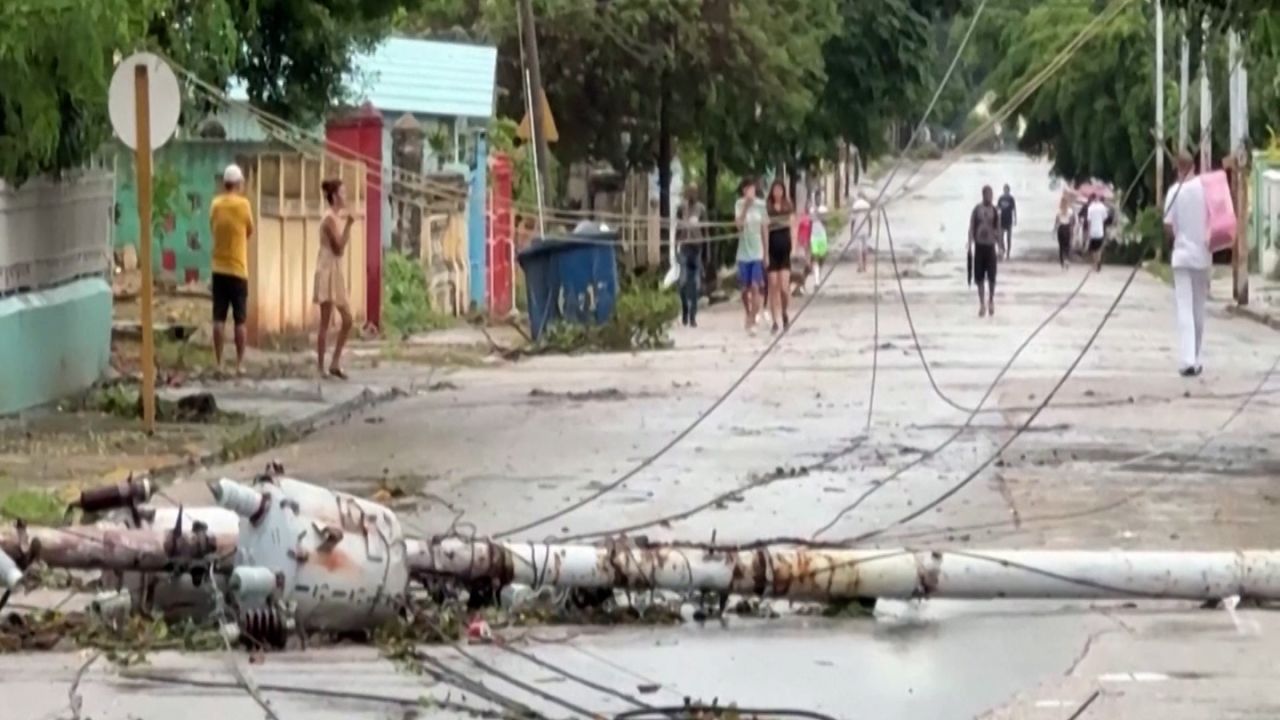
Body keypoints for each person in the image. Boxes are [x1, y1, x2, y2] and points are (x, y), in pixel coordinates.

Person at [1164, 152, 1210, 377]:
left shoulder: (1174, 191)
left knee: (1185, 308)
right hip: (1203, 255)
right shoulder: (1206, 189)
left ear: (1177, 168)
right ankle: (1197, 356)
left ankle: (1187, 360)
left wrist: (1175, 235)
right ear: (1194, 166)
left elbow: (1168, 225)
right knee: (1198, 309)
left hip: (1181, 256)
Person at [209, 164, 253, 375]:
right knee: (240, 319)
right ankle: (240, 363)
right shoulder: (244, 205)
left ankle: (218, 363)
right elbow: (249, 230)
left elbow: (212, 227)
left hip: (218, 268)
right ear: (238, 184)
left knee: (218, 318)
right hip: (238, 269)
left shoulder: (216, 204)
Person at [315, 178, 355, 379]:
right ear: (334, 196)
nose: (346, 196)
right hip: (327, 267)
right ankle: (321, 366)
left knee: (347, 319)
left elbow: (340, 248)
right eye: (343, 192)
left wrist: (347, 224)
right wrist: (348, 225)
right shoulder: (330, 218)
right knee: (325, 321)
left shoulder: (336, 217)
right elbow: (338, 248)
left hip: (335, 268)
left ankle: (335, 362)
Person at [734, 178, 767, 334]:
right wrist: (746, 207)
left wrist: (766, 253)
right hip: (743, 252)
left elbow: (764, 229)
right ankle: (748, 312)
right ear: (744, 191)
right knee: (744, 289)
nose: (751, 192)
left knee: (755, 286)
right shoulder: (739, 204)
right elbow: (738, 226)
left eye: (753, 189)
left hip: (757, 252)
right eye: (748, 189)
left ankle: (753, 318)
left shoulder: (761, 205)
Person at [968, 185, 1004, 317]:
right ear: (983, 195)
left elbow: (999, 229)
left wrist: (1000, 247)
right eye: (988, 194)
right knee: (979, 278)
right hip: (979, 247)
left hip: (990, 248)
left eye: (991, 194)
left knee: (992, 278)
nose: (990, 197)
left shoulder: (995, 211)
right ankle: (982, 303)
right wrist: (970, 242)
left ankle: (991, 301)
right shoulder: (977, 210)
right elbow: (971, 226)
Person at [765, 180, 795, 332]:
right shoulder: (768, 209)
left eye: (780, 190)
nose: (777, 192)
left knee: (784, 287)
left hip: (784, 250)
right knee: (773, 288)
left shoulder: (787, 207)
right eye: (775, 189)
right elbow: (764, 229)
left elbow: (792, 225)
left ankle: (784, 313)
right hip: (771, 250)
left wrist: (794, 246)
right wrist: (764, 253)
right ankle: (774, 321)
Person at [676, 184, 706, 327]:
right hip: (684, 246)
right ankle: (685, 310)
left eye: (694, 192)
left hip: (697, 247)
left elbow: (706, 229)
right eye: (690, 192)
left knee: (694, 282)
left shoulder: (701, 209)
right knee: (683, 281)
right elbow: (677, 226)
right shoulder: (681, 208)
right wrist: (675, 245)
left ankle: (693, 316)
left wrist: (707, 251)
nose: (692, 195)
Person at [1085, 193, 1109, 271]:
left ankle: (1095, 263)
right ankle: (1098, 262)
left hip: (1092, 231)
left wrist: (1088, 232)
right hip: (1100, 230)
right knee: (1098, 249)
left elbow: (1089, 221)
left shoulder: (1090, 208)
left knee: (1093, 249)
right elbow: (1105, 218)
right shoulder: (1102, 207)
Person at [1054, 196, 1074, 269]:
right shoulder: (1070, 211)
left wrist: (1054, 230)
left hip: (1061, 228)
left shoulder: (1059, 211)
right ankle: (1067, 259)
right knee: (1067, 245)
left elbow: (1057, 222)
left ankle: (1062, 262)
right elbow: (1072, 222)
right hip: (1067, 228)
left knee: (1061, 246)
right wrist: (1072, 231)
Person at [997, 184, 1017, 258]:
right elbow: (997, 208)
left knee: (1008, 238)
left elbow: (1014, 209)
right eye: (1005, 189)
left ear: (1009, 190)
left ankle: (1008, 253)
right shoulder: (1001, 198)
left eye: (1007, 189)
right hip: (1002, 220)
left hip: (1009, 220)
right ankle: (1003, 249)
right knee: (1001, 237)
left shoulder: (1011, 198)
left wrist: (1015, 219)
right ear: (1003, 190)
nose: (1006, 191)